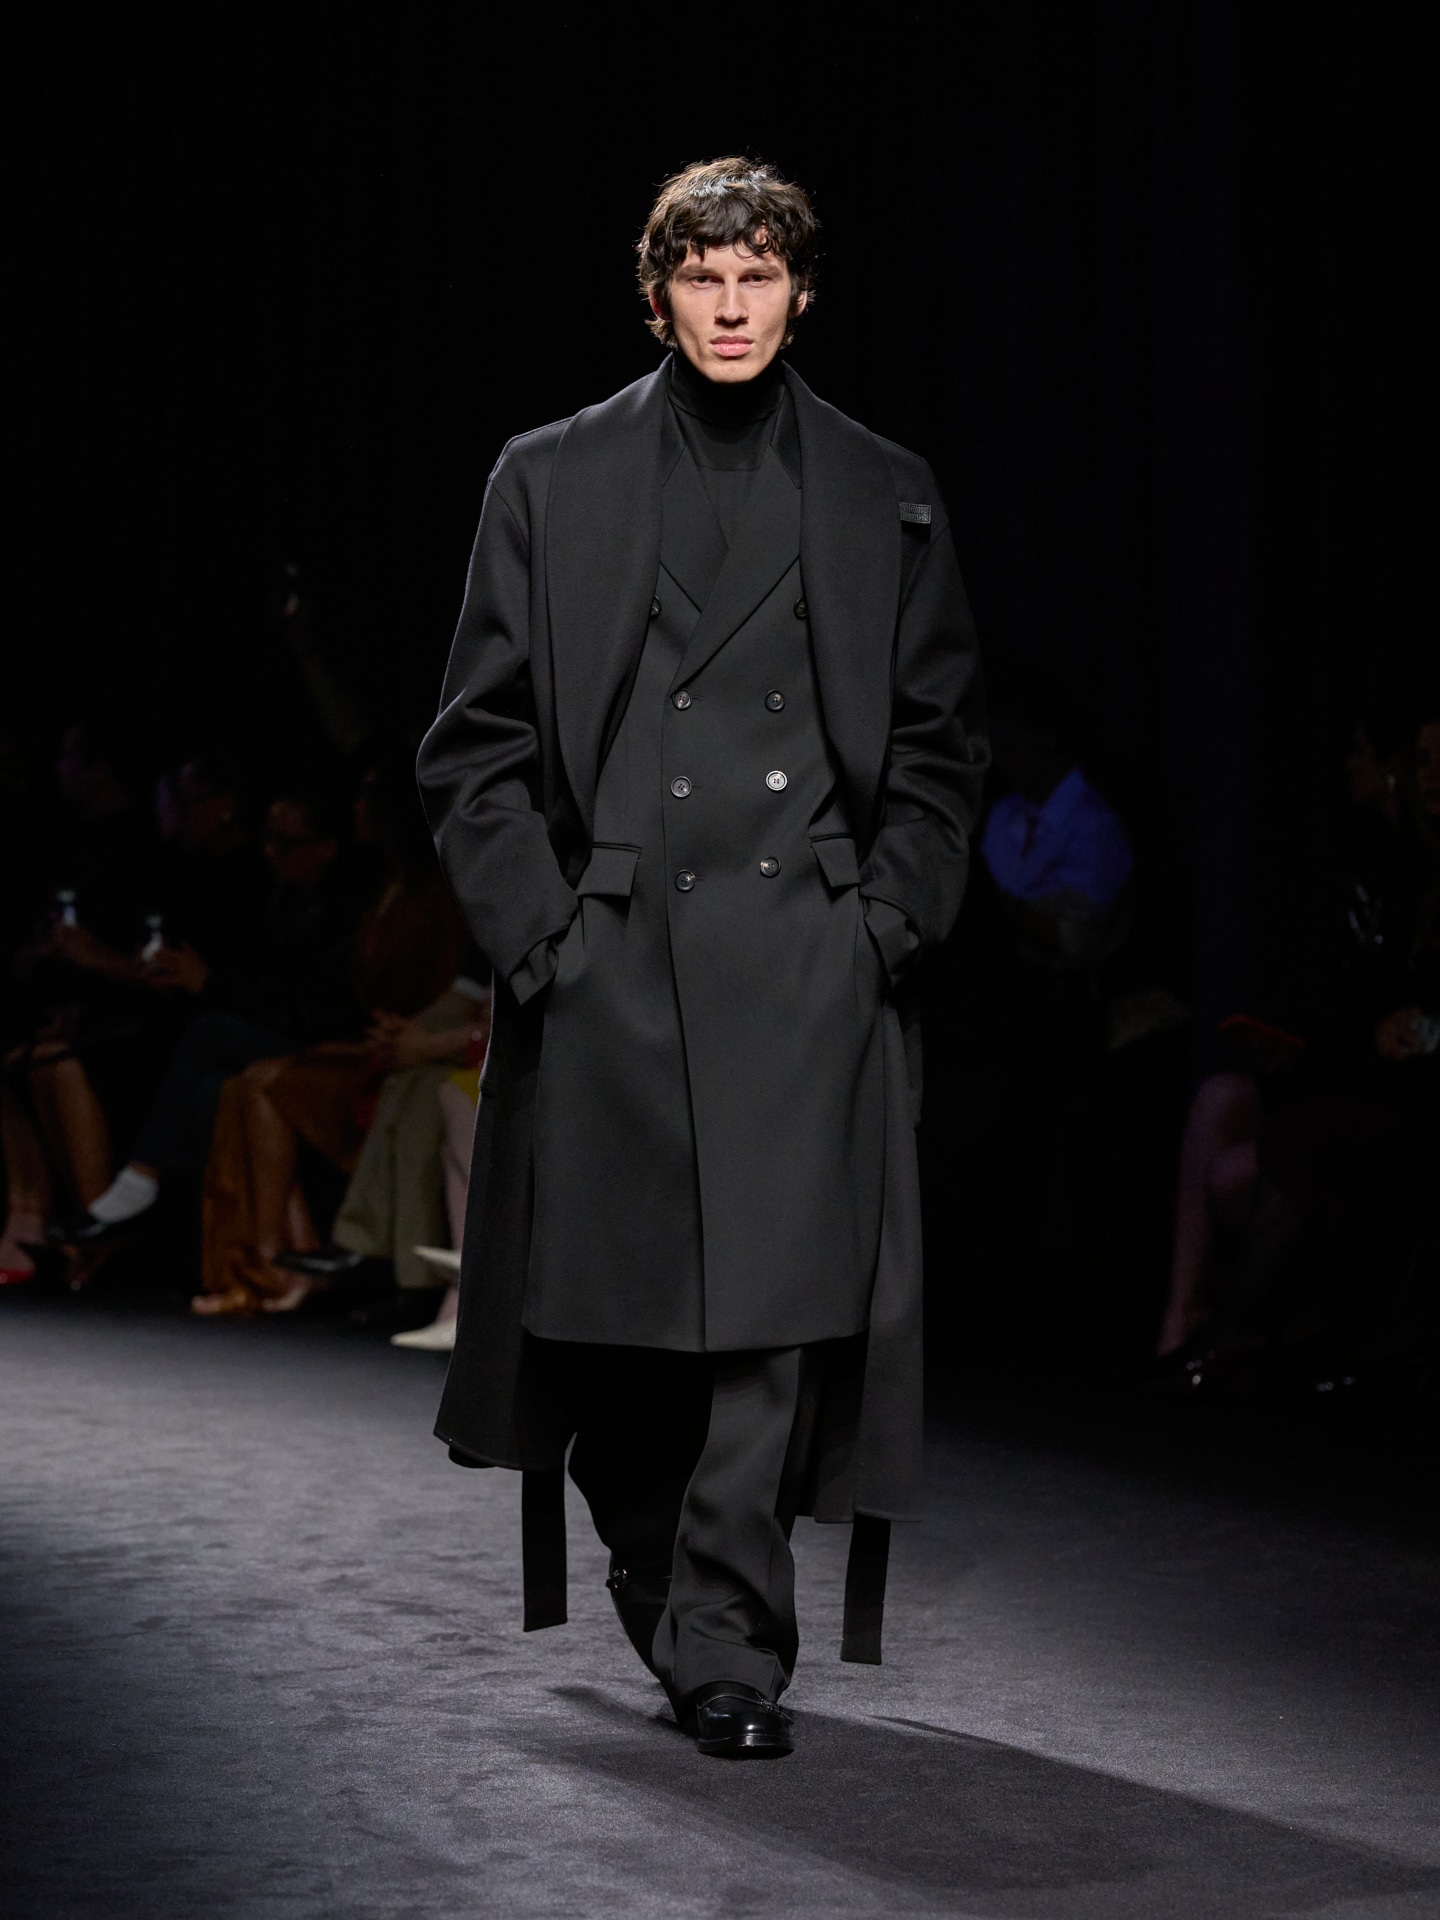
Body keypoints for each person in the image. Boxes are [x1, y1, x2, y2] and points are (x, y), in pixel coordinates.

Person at [416, 159, 986, 1757]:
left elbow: (941, 743)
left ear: (801, 293)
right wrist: (541, 936)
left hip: (804, 958)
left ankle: (730, 1644)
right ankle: (662, 1569)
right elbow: (472, 745)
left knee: (775, 1324)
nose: (732, 307)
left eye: (759, 277)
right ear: (658, 295)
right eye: (702, 277)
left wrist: (886, 921)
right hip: (607, 954)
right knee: (611, 1329)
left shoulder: (884, 487)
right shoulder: (550, 476)